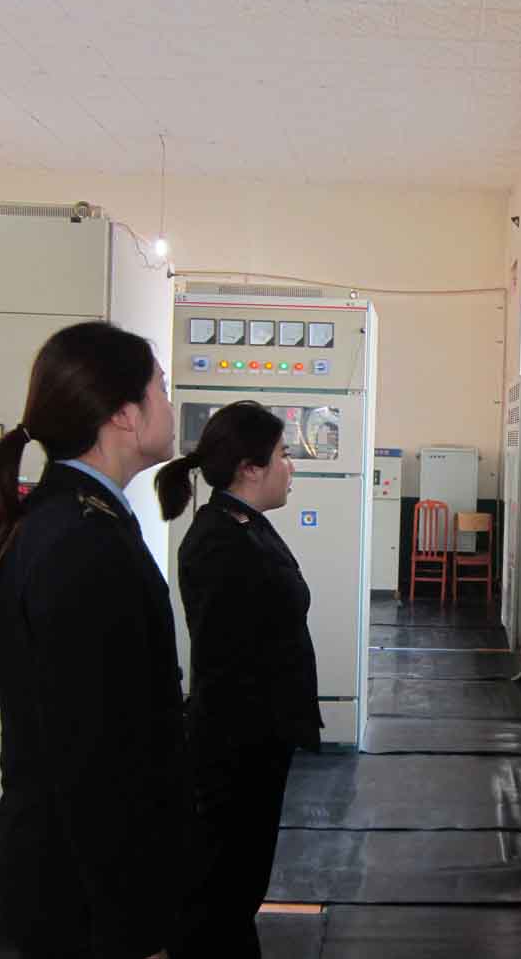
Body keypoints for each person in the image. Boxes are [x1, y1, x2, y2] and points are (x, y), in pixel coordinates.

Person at [0, 321, 184, 959]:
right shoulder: (82, 541)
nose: (171, 403)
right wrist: (134, 927)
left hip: (67, 878)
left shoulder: (73, 520)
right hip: (81, 895)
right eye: (162, 387)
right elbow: (94, 757)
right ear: (124, 415)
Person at [156, 400, 322, 959]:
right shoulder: (218, 540)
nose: (290, 466)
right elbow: (228, 658)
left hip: (259, 738)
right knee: (225, 886)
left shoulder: (245, 526)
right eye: (282, 455)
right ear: (250, 468)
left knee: (242, 880)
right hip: (236, 746)